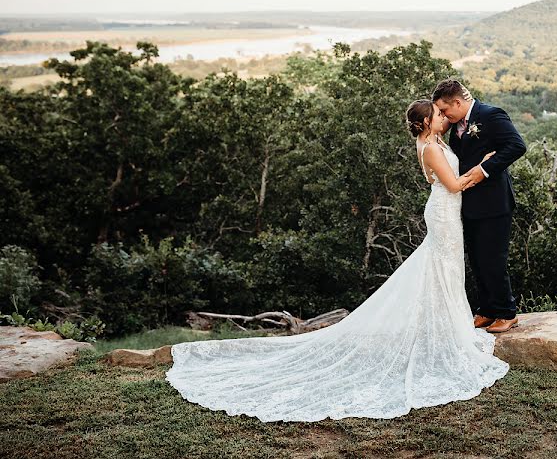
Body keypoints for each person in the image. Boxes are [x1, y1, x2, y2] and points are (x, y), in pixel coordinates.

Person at [164, 99, 508, 422]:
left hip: (447, 214)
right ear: (425, 123)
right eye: (438, 114)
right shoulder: (431, 147)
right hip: (445, 213)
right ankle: (447, 332)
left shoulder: (434, 143)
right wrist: (485, 166)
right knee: (442, 269)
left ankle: (446, 327)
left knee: (444, 270)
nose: (444, 117)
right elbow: (453, 185)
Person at [432, 79, 527, 333]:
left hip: (494, 201)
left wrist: (485, 168)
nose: (443, 115)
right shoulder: (457, 125)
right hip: (468, 202)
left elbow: (517, 146)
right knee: (476, 259)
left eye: (444, 110)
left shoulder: (491, 115)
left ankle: (507, 312)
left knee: (493, 259)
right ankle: (486, 310)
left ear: (457, 102)